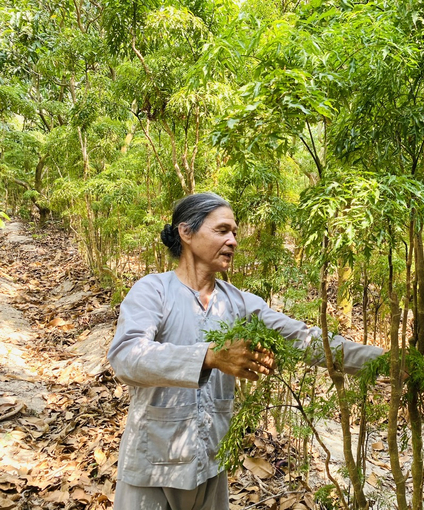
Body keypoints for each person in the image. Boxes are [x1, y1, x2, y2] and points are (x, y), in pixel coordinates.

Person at [107, 192, 383, 510]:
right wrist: (209, 356)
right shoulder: (153, 290)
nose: (233, 241)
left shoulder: (239, 302)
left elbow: (306, 340)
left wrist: (385, 362)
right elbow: (127, 356)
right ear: (186, 232)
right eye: (222, 230)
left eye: (235, 233)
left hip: (211, 464)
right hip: (151, 467)